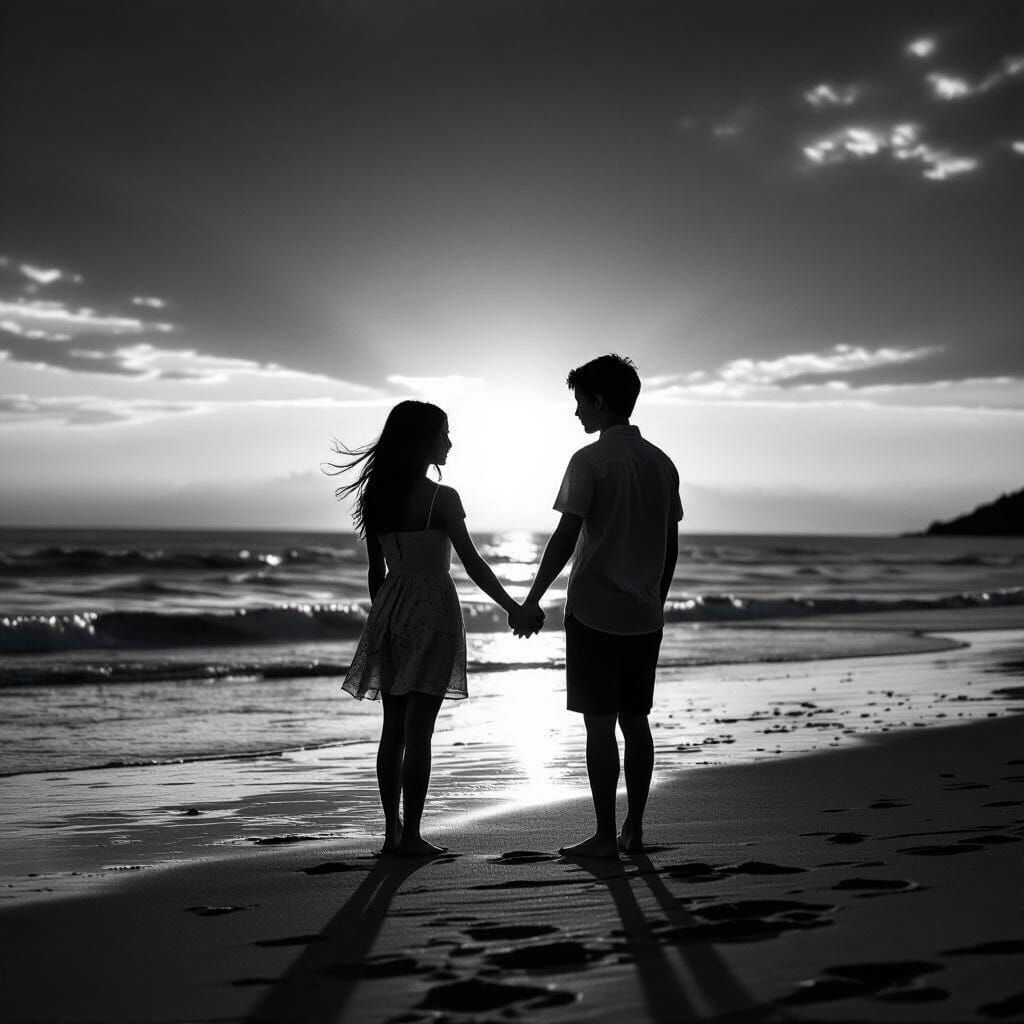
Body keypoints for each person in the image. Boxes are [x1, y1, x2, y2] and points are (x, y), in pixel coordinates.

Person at [325, 401, 543, 857]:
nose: (450, 442)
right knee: (419, 730)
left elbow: (374, 572)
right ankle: (414, 836)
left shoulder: (376, 497)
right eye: (444, 433)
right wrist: (513, 607)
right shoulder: (442, 499)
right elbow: (473, 562)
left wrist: (383, 614)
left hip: (389, 608)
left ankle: (391, 833)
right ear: (423, 441)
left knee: (393, 730)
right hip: (433, 611)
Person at [519, 354, 683, 858]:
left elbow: (567, 535)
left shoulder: (588, 461)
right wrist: (658, 596)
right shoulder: (661, 462)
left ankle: (605, 835)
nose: (576, 413)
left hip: (592, 611)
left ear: (598, 400)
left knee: (599, 725)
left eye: (579, 401)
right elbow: (669, 544)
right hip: (643, 613)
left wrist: (532, 598)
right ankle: (634, 827)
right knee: (636, 720)